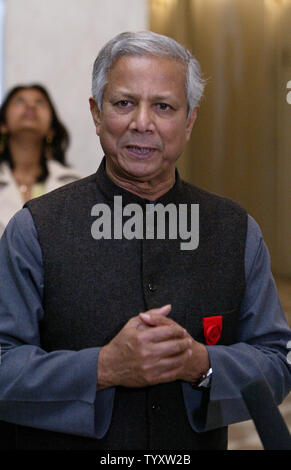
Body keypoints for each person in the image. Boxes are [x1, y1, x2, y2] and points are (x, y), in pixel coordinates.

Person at [0, 31, 290, 451]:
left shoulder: (234, 230)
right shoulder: (35, 228)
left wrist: (201, 363)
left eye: (164, 107)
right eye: (123, 103)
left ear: (188, 122)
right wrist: (102, 367)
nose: (142, 122)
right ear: (97, 114)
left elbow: (276, 362)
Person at [0, 84, 82, 236]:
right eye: (19, 101)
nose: (30, 106)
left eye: (40, 102)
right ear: (3, 125)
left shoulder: (74, 183)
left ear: (51, 128)